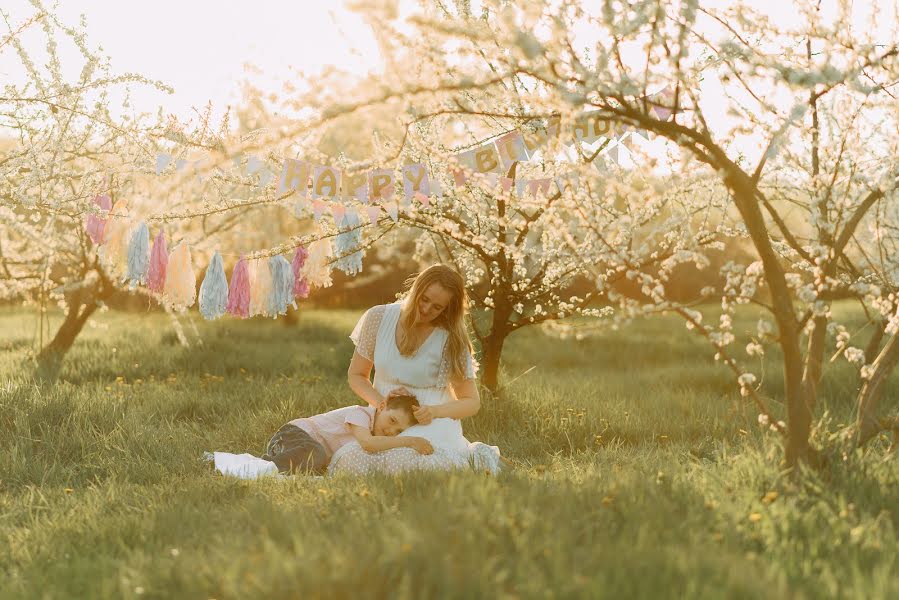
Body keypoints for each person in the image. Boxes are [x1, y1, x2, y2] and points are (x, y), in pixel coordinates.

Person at [329, 264, 502, 475]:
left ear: (448, 309)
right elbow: (357, 375)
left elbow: (471, 403)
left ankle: (472, 456)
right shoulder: (378, 318)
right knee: (351, 460)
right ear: (416, 290)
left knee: (423, 464)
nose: (427, 309)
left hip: (432, 425)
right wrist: (381, 404)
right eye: (424, 299)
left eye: (438, 307)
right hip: (386, 422)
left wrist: (434, 412)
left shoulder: (451, 338)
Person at [262, 393, 432, 474]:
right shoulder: (362, 414)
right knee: (316, 454)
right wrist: (410, 441)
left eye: (399, 432)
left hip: (304, 452)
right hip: (294, 435)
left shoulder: (379, 436)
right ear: (381, 407)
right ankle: (264, 466)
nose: (391, 431)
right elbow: (368, 444)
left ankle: (280, 469)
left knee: (314, 465)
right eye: (392, 421)